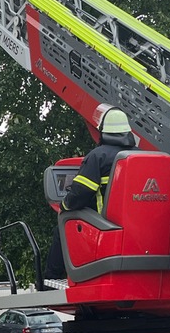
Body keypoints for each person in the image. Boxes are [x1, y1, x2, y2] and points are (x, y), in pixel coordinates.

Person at [46, 105, 135, 279]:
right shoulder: (141, 156)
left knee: (62, 227)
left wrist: (64, 205)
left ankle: (50, 279)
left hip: (106, 226)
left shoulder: (97, 156)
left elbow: (80, 193)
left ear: (102, 131)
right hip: (137, 233)